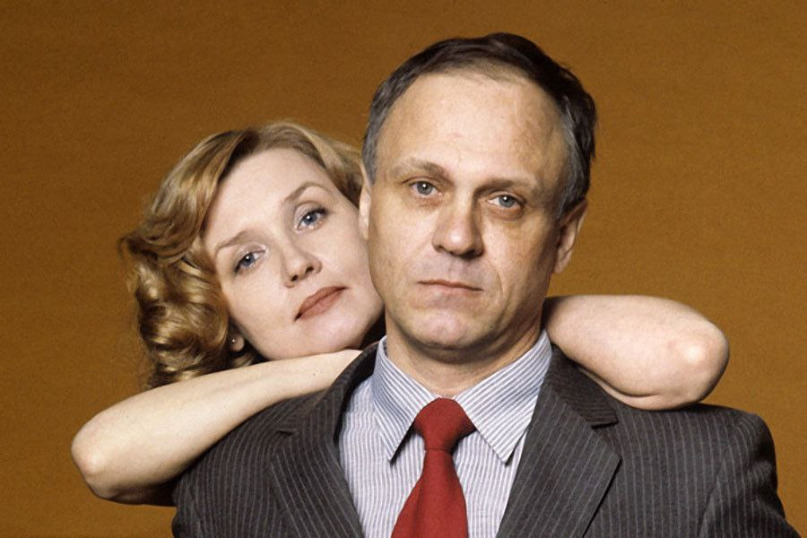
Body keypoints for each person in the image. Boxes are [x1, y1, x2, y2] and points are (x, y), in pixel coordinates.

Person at [171, 34, 797, 537]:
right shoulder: (227, 485)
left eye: (505, 201)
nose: (457, 237)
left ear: (564, 235)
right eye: (424, 188)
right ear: (368, 205)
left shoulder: (702, 471)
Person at [73, 122, 729, 510]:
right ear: (227, 318)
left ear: (370, 217)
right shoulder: (235, 466)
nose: (296, 263)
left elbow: (686, 354)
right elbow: (102, 457)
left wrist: (502, 317)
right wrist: (341, 369)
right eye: (246, 259)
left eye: (311, 216)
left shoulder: (514, 366)